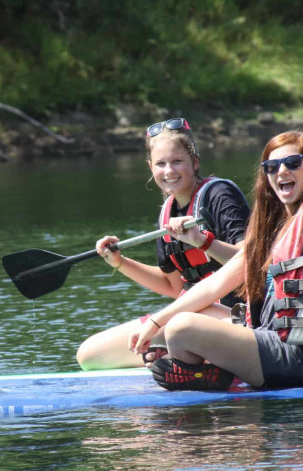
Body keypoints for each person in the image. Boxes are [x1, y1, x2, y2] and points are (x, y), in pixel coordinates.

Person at [130, 59, 303, 391]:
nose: (282, 172)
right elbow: (213, 286)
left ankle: (217, 375)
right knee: (174, 335)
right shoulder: (274, 230)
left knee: (181, 329)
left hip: (300, 359)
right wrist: (153, 324)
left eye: (293, 163)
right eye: (272, 166)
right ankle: (213, 377)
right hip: (269, 342)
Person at [76, 118, 250, 370]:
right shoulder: (167, 212)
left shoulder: (219, 194)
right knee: (90, 355)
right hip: (191, 314)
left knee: (178, 327)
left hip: (236, 315)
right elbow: (172, 286)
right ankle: (179, 359)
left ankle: (191, 356)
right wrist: (120, 262)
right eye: (161, 164)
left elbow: (248, 260)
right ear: (150, 168)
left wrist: (202, 242)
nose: (169, 171)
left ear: (195, 162)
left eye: (177, 161)